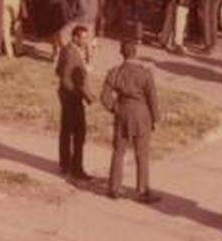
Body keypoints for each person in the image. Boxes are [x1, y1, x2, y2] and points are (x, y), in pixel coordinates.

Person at [101, 39, 160, 203]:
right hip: (142, 115)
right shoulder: (145, 73)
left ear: (121, 53)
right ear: (136, 52)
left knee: (118, 151)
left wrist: (115, 108)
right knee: (142, 154)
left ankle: (114, 187)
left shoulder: (115, 72)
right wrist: (155, 118)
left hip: (122, 114)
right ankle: (142, 190)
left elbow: (104, 97)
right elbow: (152, 99)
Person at [56, 24, 94, 181]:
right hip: (73, 98)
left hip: (66, 97)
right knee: (79, 134)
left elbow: (58, 71)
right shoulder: (73, 53)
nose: (86, 41)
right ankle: (76, 168)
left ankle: (65, 164)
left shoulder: (66, 50)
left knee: (66, 131)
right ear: (75, 37)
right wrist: (86, 96)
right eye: (83, 38)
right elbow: (67, 78)